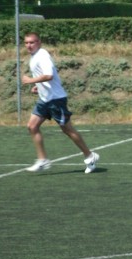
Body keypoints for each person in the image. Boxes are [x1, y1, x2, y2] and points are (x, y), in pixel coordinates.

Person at [20, 32, 99, 174]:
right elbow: (45, 77)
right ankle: (42, 159)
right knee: (32, 126)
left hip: (56, 100)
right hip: (45, 100)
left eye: (32, 42)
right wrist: (38, 87)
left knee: (67, 129)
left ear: (39, 42)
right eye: (26, 43)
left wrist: (30, 80)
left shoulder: (43, 55)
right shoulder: (34, 57)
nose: (29, 45)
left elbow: (49, 75)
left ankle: (89, 155)